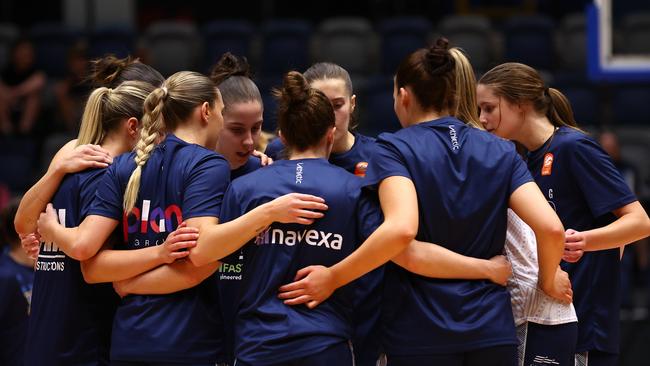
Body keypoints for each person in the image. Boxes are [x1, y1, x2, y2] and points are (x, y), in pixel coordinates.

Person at [278, 38, 570, 366]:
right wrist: (548, 277)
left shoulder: (392, 148)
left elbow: (401, 236)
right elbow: (551, 228)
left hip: (421, 331)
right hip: (491, 330)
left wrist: (332, 277)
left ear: (403, 95)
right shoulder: (499, 148)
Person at [37, 71, 326, 365]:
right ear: (206, 111)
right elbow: (197, 263)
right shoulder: (208, 164)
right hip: (188, 340)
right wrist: (267, 213)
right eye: (223, 113)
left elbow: (94, 268)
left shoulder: (124, 165)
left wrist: (130, 283)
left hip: (128, 340)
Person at [477, 62, 650, 366]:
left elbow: (639, 222)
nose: (482, 119)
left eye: (489, 108)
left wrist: (584, 241)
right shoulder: (525, 161)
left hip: (586, 322)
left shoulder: (574, 147)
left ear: (520, 104)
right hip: (548, 322)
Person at [219, 70, 382, 365]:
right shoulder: (355, 190)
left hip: (255, 345)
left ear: (281, 136)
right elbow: (376, 262)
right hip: (326, 345)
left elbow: (228, 272)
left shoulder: (242, 189)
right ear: (331, 134)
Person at [448, 48, 579, 366]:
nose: (484, 118)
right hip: (508, 310)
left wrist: (548, 278)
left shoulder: (490, 150)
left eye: (490, 108)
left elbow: (551, 228)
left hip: (539, 311)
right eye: (480, 109)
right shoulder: (494, 149)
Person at [264, 62, 374, 177]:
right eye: (319, 106)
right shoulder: (277, 150)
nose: (329, 115)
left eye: (337, 105)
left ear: (352, 104)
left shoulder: (376, 154)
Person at [0, 38, 46, 136]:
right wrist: (9, 96)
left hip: (26, 106)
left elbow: (39, 82)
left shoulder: (35, 70)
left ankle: (24, 132)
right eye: (22, 51)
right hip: (8, 105)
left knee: (33, 98)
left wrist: (14, 94)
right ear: (15, 53)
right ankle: (6, 131)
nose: (25, 55)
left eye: (28, 52)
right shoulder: (7, 70)